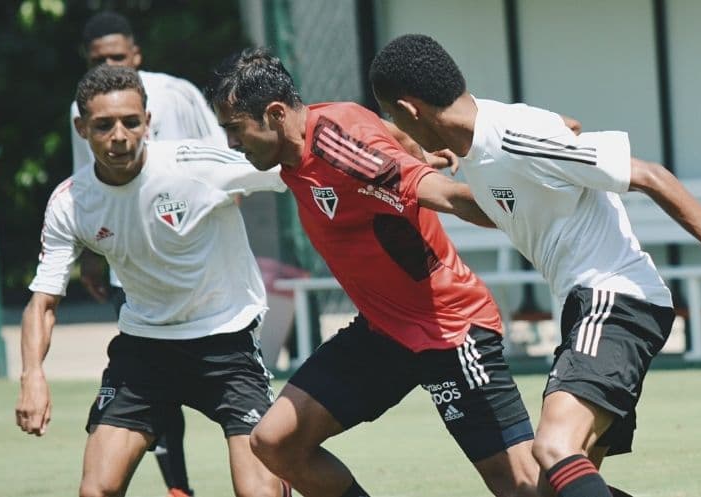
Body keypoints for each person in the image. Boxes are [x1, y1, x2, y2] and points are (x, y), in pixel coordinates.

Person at [369, 34, 701, 497]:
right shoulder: (481, 141)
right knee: (555, 488)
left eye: (396, 119)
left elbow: (650, 176)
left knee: (553, 449)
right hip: (591, 305)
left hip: (615, 298)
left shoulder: (513, 137)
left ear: (411, 110)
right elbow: (566, 129)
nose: (400, 131)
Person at [207, 47, 542, 497]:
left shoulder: (343, 150)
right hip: (383, 332)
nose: (231, 143)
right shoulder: (320, 127)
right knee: (276, 443)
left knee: (521, 484)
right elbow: (392, 133)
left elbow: (444, 196)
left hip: (449, 327)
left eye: (234, 129)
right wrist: (421, 150)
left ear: (273, 114)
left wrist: (528, 205)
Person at [15, 65, 291, 497]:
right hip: (145, 349)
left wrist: (403, 159)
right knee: (97, 490)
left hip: (225, 341)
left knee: (259, 492)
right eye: (104, 125)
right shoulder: (72, 202)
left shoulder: (194, 164)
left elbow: (294, 161)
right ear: (81, 128)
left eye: (131, 121)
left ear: (149, 122)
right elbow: (43, 302)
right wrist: (32, 375)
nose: (120, 136)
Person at [69, 12, 227, 496]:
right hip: (133, 271)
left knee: (231, 386)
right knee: (157, 383)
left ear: (135, 55)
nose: (109, 64)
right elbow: (85, 184)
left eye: (117, 56)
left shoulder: (177, 93)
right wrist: (91, 255)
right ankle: (178, 487)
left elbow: (225, 158)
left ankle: (263, 468)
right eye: (99, 59)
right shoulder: (81, 104)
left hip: (202, 272)